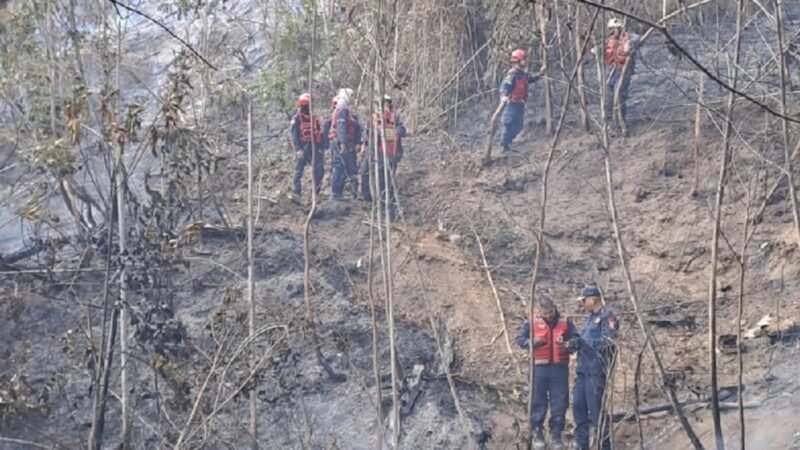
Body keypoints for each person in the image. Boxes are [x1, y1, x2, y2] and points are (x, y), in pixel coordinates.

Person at [516, 298, 578, 450]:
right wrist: (530, 343)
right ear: (539, 312)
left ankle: (556, 434)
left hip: (559, 369)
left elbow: (576, 338)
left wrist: (570, 344)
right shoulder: (531, 322)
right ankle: (537, 432)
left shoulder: (565, 321)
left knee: (560, 402)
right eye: (545, 313)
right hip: (539, 369)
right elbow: (519, 339)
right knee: (538, 401)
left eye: (550, 312)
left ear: (554, 308)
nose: (548, 316)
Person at [569, 285, 619, 450]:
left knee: (597, 414)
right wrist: (574, 344)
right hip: (582, 372)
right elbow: (584, 340)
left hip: (596, 373)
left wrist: (585, 343)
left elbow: (610, 341)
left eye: (584, 300)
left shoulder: (607, 316)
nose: (582, 303)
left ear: (592, 299)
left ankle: (605, 446)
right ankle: (581, 446)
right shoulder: (590, 318)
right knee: (578, 409)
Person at [361, 95, 407, 211]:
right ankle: (368, 200)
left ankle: (385, 206)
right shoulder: (372, 118)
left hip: (390, 154)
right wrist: (364, 145)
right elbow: (366, 134)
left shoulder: (394, 117)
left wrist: (387, 133)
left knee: (384, 180)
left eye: (386, 103)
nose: (383, 106)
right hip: (374, 152)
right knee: (365, 172)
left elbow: (402, 131)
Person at [498, 49, 547, 153]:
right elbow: (505, 86)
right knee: (508, 124)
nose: (527, 60)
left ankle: (509, 143)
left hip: (520, 104)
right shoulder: (512, 75)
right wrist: (504, 96)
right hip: (512, 104)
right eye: (524, 59)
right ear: (518, 61)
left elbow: (530, 78)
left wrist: (540, 74)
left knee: (519, 126)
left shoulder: (523, 74)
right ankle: (504, 146)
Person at [603, 18, 639, 123]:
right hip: (610, 69)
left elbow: (637, 39)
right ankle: (610, 120)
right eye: (611, 29)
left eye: (615, 28)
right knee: (609, 95)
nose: (613, 31)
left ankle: (620, 119)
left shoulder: (628, 37)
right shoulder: (608, 39)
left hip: (624, 69)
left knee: (620, 95)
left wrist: (631, 44)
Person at [290, 93, 323, 202]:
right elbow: (294, 136)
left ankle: (315, 193)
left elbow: (319, 133)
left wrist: (320, 147)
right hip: (303, 147)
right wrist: (298, 149)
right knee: (299, 170)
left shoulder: (314, 119)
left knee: (319, 170)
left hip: (313, 148)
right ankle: (296, 192)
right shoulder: (297, 119)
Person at [329, 88, 361, 200]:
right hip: (340, 142)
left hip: (347, 142)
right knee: (339, 167)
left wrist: (357, 142)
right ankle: (336, 194)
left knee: (350, 167)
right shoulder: (342, 109)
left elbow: (356, 128)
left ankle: (352, 193)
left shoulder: (347, 110)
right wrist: (343, 142)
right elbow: (341, 126)